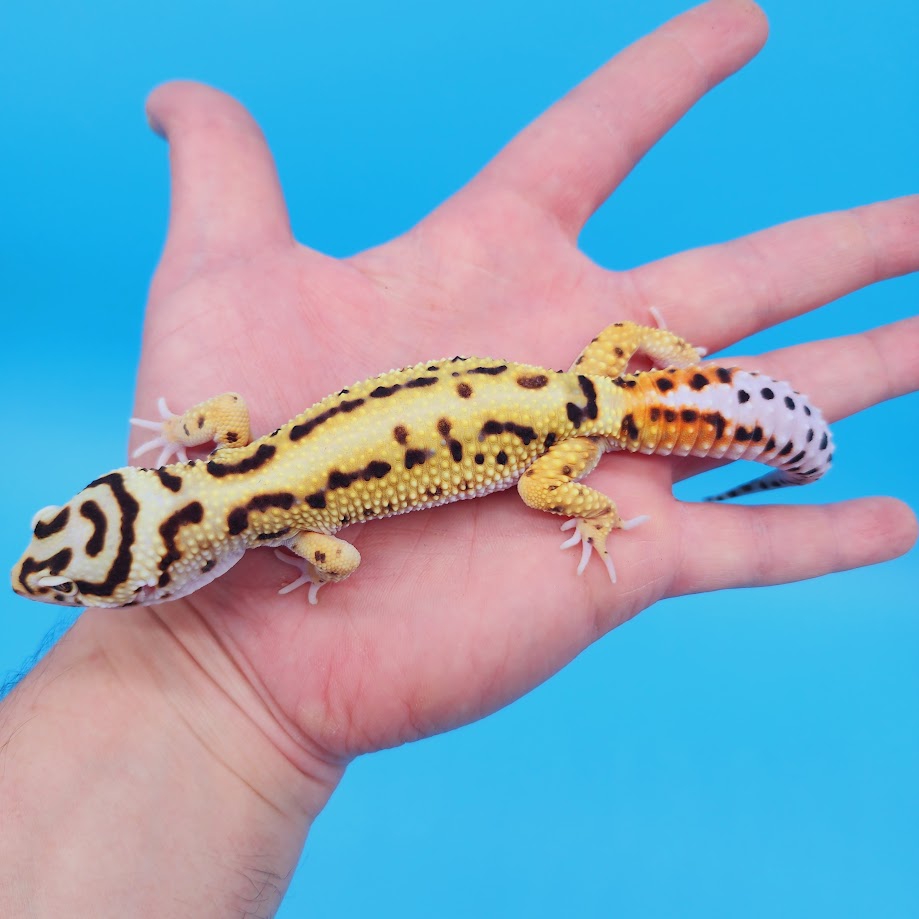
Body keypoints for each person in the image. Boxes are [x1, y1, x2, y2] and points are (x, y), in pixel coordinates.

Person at [1, 0, 916, 914]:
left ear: (173, 569)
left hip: (564, 431)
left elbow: (342, 557)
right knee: (620, 370)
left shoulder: (292, 528)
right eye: (82, 570)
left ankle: (668, 477)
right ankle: (717, 402)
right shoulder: (230, 447)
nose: (42, 571)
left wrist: (584, 509)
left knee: (543, 493)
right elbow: (233, 416)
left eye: (90, 578)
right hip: (570, 383)